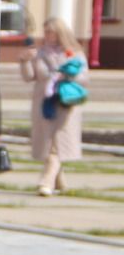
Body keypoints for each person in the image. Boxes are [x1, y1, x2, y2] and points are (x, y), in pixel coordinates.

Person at [18, 17, 87, 198]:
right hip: (44, 102)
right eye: (45, 32)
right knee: (50, 143)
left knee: (57, 144)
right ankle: (60, 181)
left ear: (60, 33)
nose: (47, 35)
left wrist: (65, 74)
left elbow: (83, 79)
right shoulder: (40, 53)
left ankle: (45, 182)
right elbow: (29, 77)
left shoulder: (75, 53)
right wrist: (25, 61)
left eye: (51, 32)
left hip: (65, 103)